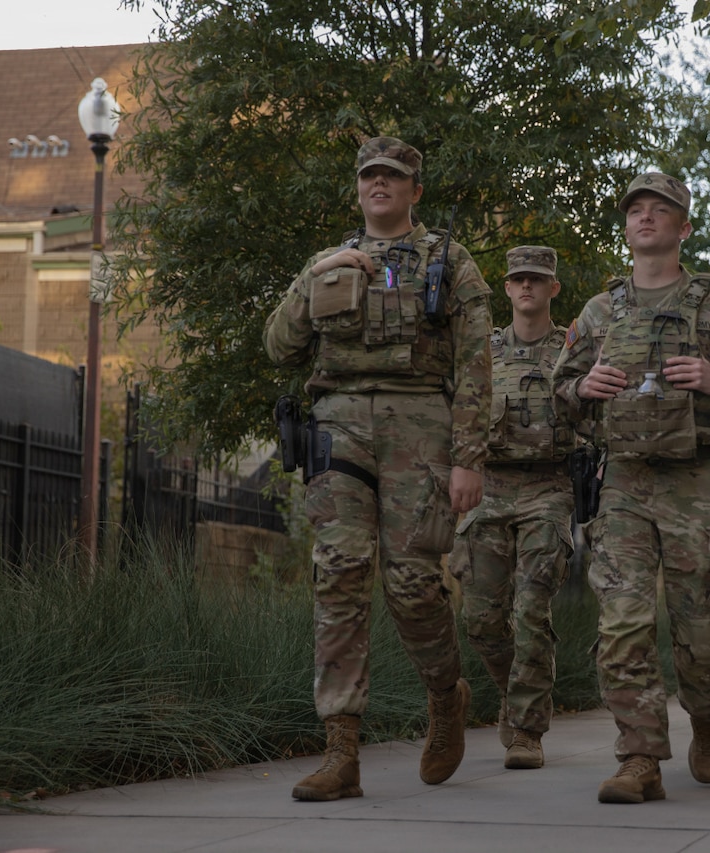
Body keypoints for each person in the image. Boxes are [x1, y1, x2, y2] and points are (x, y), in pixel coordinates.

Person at [552, 173, 710, 804]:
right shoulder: (601, 311)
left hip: (699, 483)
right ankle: (639, 758)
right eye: (635, 209)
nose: (645, 218)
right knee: (623, 622)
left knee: (707, 633)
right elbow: (556, 393)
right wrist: (582, 390)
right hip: (625, 482)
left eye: (659, 210)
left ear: (684, 228)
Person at [263, 136, 492, 801]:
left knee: (413, 582)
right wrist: (317, 275)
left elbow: (476, 364)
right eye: (370, 175)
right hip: (336, 426)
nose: (380, 183)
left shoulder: (451, 261)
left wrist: (467, 456)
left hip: (420, 426)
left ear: (415, 189)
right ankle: (341, 752)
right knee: (337, 572)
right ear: (358, 187)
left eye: (394, 175)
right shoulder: (326, 263)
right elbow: (279, 345)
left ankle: (446, 696)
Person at [450, 246, 575, 771]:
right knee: (479, 619)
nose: (527, 287)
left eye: (537, 279)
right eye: (518, 279)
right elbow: (458, 411)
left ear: (552, 289)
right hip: (491, 486)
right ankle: (514, 691)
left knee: (530, 610)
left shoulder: (574, 347)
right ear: (506, 288)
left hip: (549, 488)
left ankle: (527, 730)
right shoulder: (483, 349)